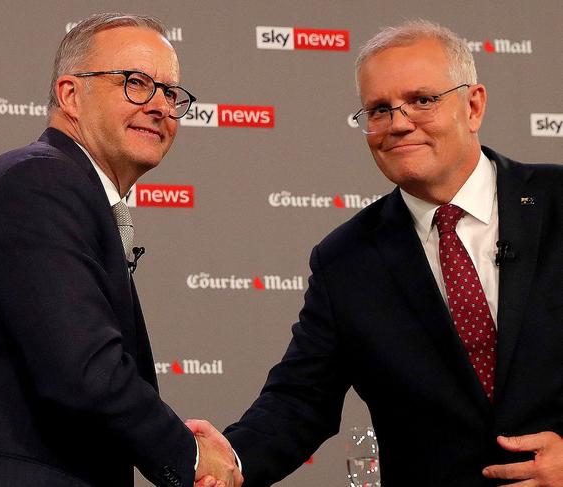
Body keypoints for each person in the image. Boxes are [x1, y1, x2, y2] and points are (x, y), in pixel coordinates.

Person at [190, 19, 563, 487]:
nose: (399, 123)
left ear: (473, 106)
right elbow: (301, 400)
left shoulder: (557, 202)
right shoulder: (345, 260)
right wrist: (233, 464)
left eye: (422, 100)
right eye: (379, 110)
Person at [0, 13, 240, 487]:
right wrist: (188, 457)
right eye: (135, 83)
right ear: (70, 95)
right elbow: (85, 368)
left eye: (170, 93)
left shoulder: (73, 191)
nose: (159, 106)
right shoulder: (39, 180)